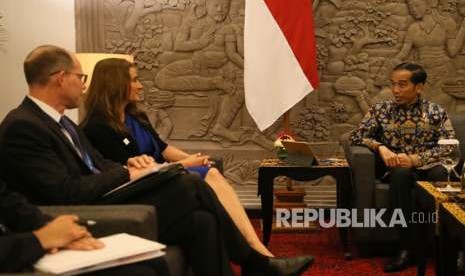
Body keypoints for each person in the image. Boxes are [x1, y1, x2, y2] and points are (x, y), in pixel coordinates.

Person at [0, 45, 313, 276]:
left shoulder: (63, 123)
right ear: (59, 78)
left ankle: (254, 263)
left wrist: (133, 166)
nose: (83, 85)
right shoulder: (23, 126)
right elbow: (64, 192)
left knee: (200, 221)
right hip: (85, 209)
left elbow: (97, 162)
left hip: (105, 194)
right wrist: (125, 173)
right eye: (79, 77)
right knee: (188, 182)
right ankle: (256, 263)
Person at [80, 57, 273, 258]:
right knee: (211, 175)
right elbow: (130, 170)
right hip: (143, 186)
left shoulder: (136, 118)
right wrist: (185, 164)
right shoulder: (97, 127)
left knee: (209, 169)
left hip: (163, 174)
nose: (140, 85)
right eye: (135, 80)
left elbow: (163, 149)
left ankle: (249, 248)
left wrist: (194, 158)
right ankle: (254, 247)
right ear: (116, 84)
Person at [350, 62, 454, 272]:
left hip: (428, 166)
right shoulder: (381, 109)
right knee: (401, 176)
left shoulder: (435, 111)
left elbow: (449, 146)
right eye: (393, 84)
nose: (396, 90)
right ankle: (407, 249)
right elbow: (357, 135)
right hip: (397, 169)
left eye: (402, 84)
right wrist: (381, 148)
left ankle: (453, 247)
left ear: (419, 87)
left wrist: (416, 159)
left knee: (444, 174)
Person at [0, 178, 163, 275]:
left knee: (152, 260)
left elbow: (9, 202)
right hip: (11, 255)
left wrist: (54, 230)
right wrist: (40, 239)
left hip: (22, 245)